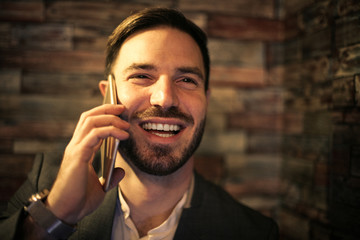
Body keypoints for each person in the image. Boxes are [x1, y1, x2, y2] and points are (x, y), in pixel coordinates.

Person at [0, 8, 279, 240]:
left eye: (187, 80)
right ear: (107, 94)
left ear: (206, 100)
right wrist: (53, 217)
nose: (165, 98)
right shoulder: (48, 182)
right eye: (142, 76)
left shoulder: (252, 232)